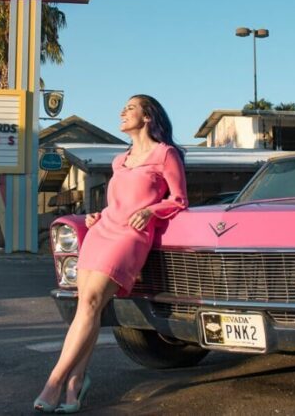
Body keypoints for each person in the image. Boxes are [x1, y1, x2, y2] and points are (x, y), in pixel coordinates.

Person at [33, 95, 188, 413]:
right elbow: (117, 203)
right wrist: (97, 216)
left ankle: (54, 383)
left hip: (130, 236)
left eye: (131, 107)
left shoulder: (165, 154)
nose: (123, 111)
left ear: (147, 117)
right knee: (87, 308)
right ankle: (75, 387)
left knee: (90, 305)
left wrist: (152, 212)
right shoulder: (121, 160)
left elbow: (179, 200)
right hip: (102, 232)